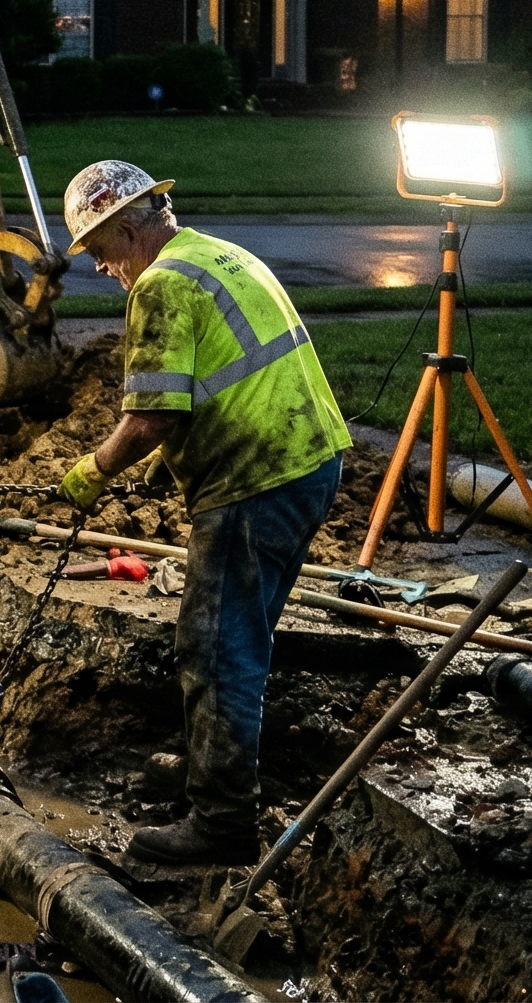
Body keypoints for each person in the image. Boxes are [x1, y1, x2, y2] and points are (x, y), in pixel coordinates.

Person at [53, 160, 351, 865]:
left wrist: (93, 471)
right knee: (242, 636)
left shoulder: (161, 284)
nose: (101, 270)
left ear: (128, 229)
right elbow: (218, 380)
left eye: (100, 253)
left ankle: (220, 823)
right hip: (310, 461)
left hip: (255, 479)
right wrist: (167, 464)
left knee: (217, 649)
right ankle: (210, 763)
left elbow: (151, 414)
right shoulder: (219, 253)